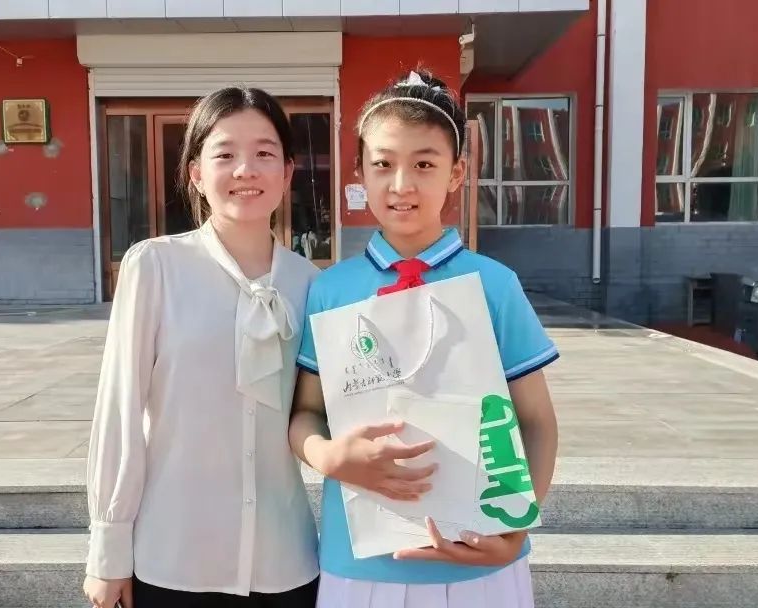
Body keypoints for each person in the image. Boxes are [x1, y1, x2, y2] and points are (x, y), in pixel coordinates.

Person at [288, 70, 560, 607]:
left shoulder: (494, 285)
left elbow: (536, 420)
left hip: (478, 560)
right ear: (359, 171)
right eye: (383, 164)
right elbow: (306, 412)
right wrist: (326, 455)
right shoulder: (330, 289)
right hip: (361, 561)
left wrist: (514, 528)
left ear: (457, 173)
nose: (402, 184)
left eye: (424, 164)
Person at [83, 86, 320, 608]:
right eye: (225, 154)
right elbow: (119, 412)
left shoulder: (310, 284)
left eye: (264, 153)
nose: (245, 170)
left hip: (284, 560)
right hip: (174, 559)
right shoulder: (155, 267)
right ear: (195, 172)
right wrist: (108, 549)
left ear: (287, 171)